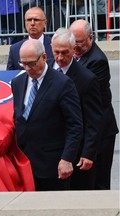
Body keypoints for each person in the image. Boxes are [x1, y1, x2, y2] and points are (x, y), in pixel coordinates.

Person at [11, 39, 83, 191]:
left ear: (43, 57)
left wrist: (67, 158)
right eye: (23, 63)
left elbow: (74, 125)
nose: (27, 68)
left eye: (31, 63)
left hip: (51, 165)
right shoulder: (17, 83)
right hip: (23, 162)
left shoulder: (62, 84)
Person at [48, 28, 103, 190]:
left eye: (65, 52)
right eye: (56, 52)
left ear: (73, 50)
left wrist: (88, 153)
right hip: (50, 148)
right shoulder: (46, 70)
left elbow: (93, 120)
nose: (59, 57)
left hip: (75, 150)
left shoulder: (87, 79)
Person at [69, 20, 119, 190]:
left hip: (101, 132)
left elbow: (85, 96)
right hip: (85, 129)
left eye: (79, 42)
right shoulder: (74, 56)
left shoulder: (97, 61)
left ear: (91, 38)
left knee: (99, 182)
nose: (75, 46)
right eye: (72, 41)